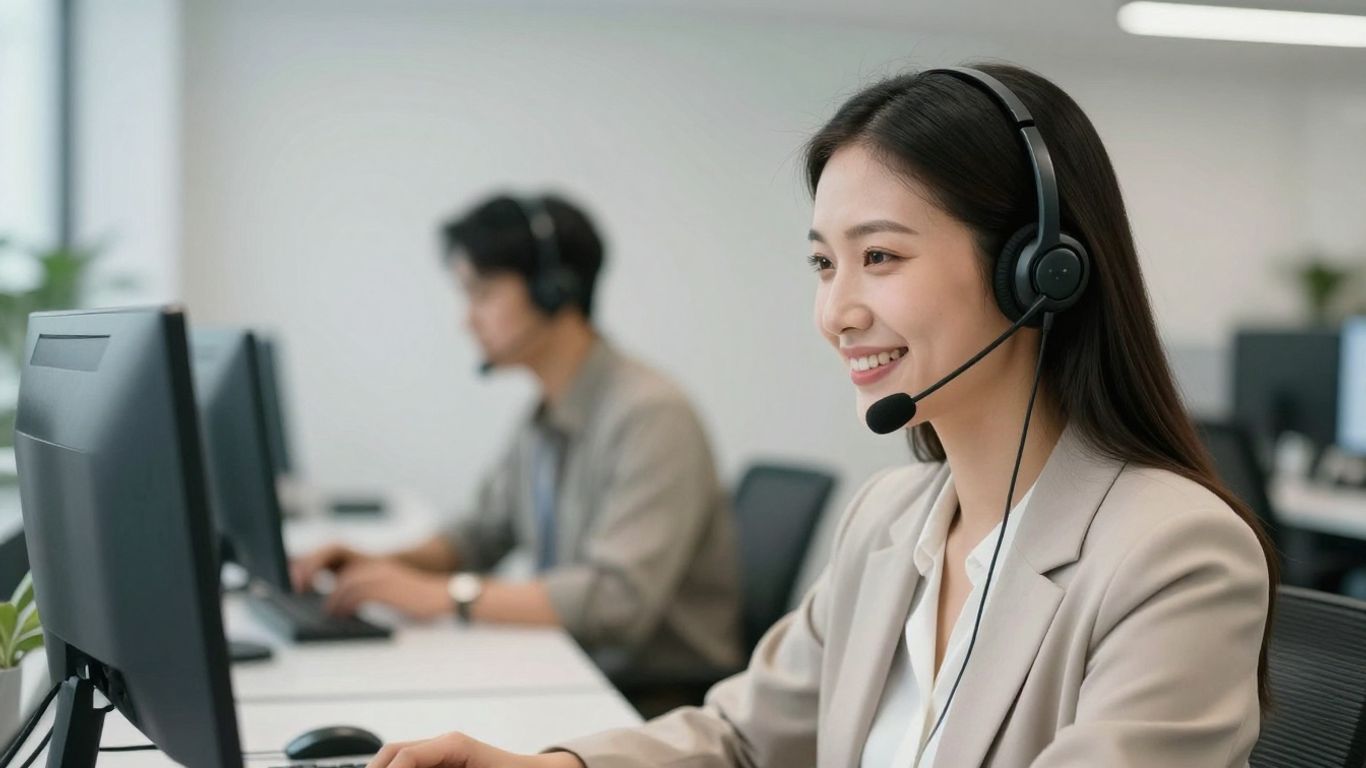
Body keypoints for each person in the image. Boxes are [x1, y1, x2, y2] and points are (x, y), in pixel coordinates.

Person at [361, 64, 1277, 768]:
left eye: (879, 256)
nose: (836, 311)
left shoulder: (1174, 555)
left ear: (1038, 272)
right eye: (822, 264)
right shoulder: (889, 518)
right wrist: (551, 764)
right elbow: (743, 738)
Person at [292, 193, 742, 681]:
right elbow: (481, 535)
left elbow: (616, 603)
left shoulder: (651, 414)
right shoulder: (547, 412)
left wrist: (442, 595)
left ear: (554, 289)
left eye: (481, 293)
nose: (467, 319)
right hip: (579, 669)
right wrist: (380, 567)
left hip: (651, 697)